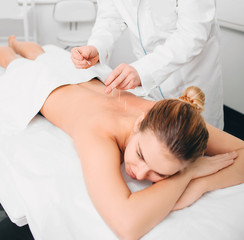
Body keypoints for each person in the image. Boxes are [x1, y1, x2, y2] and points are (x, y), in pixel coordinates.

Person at [0, 37, 244, 240]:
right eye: (140, 154)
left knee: (42, 56)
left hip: (76, 78)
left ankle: (20, 45)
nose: (140, 172)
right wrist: (189, 176)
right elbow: (127, 225)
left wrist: (199, 185)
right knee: (15, 61)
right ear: (140, 122)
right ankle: (12, 42)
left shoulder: (174, 118)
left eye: (161, 174)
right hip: (41, 84)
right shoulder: (98, 134)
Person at [71, 0, 224, 130]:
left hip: (192, 76)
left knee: (201, 142)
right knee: (161, 140)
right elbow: (110, 18)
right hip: (151, 85)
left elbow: (192, 34)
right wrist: (97, 46)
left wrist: (143, 71)